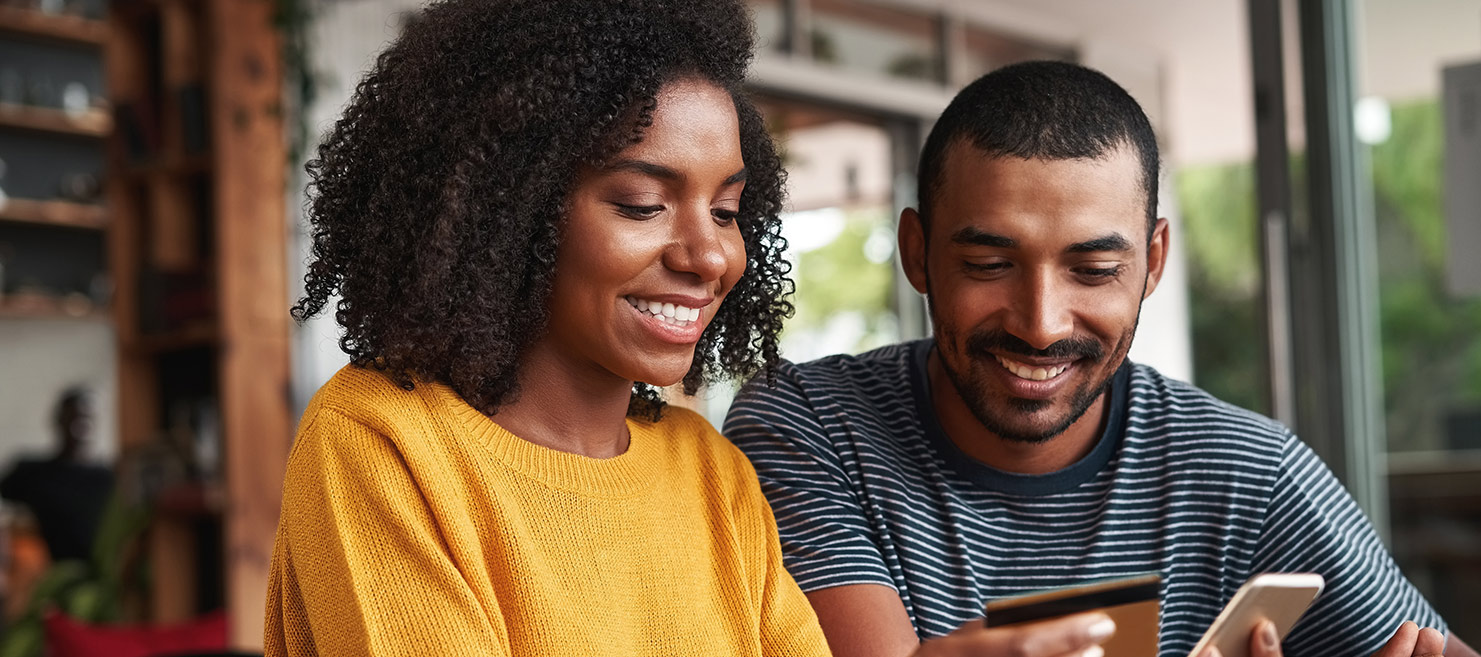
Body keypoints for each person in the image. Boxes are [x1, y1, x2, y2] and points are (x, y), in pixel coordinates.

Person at [267, 3, 1126, 656]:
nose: (708, 253)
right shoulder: (382, 443)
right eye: (642, 204)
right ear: (509, 207)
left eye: (726, 209)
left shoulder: (710, 474)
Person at [724, 61, 1477, 657]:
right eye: (989, 263)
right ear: (917, 252)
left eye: (1092, 270)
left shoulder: (1248, 472)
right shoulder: (810, 426)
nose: (1042, 324)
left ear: (1152, 262)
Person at [0, 387, 113, 563]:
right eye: (73, 417)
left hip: (100, 573)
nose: (80, 425)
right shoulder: (31, 473)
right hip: (50, 573)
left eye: (87, 418)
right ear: (59, 420)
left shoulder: (109, 478)